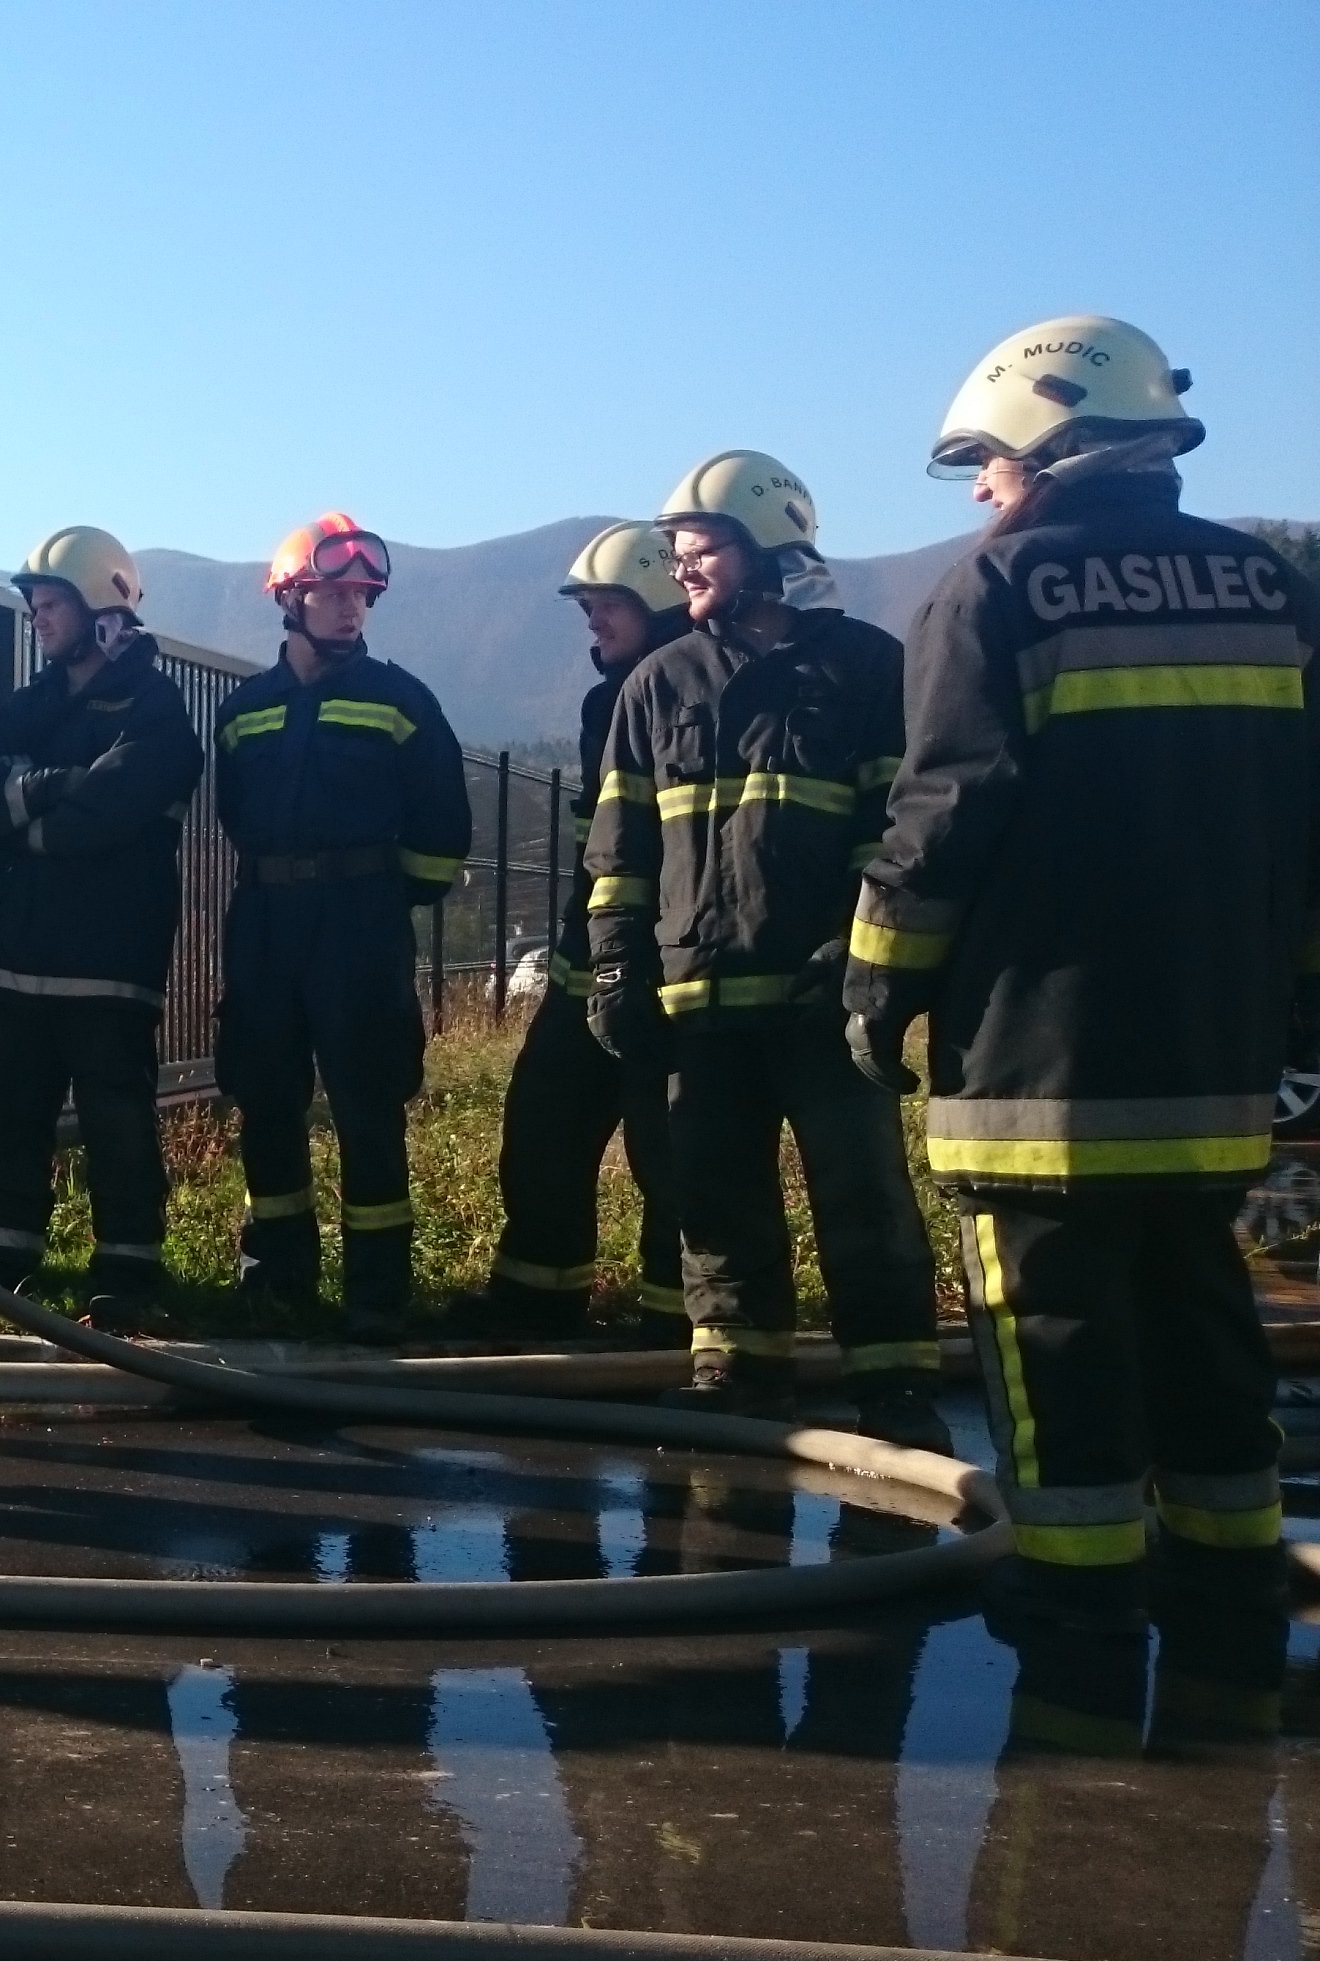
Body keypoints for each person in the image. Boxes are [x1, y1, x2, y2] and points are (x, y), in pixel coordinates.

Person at [844, 314, 1318, 1619]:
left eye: (988, 464)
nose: (982, 493)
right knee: (1201, 1304)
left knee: (1050, 1332)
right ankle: (1230, 1577)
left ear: (1046, 438)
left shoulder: (998, 590)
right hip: (1218, 1062)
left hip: (1041, 1067)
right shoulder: (1272, 588)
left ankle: (1077, 1611)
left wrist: (880, 984)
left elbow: (946, 812)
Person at [585, 453, 941, 1439]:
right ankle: (737, 1369)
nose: (682, 568)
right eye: (677, 552)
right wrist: (615, 964)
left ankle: (896, 1384)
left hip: (824, 994)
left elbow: (896, 827)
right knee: (714, 1192)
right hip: (697, 997)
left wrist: (860, 947)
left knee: (863, 1191)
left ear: (770, 549)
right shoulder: (658, 683)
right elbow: (620, 846)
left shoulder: (865, 670)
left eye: (700, 548)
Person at [207, 513, 471, 1343]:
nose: (352, 608)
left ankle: (377, 1295)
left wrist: (385, 904)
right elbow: (235, 816)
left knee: (368, 1106)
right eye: (333, 593)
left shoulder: (403, 701)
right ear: (290, 598)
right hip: (266, 924)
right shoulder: (244, 709)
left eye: (362, 595)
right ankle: (278, 1280)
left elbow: (441, 829)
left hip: (360, 927)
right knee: (266, 1099)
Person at [0, 525, 201, 1329]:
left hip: (109, 965)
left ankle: (128, 1272)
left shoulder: (157, 711)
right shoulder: (32, 704)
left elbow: (104, 812)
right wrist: (49, 790)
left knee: (117, 1124)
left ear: (102, 613)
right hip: (15, 957)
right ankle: (0, 1263)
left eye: (51, 604)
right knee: (5, 1116)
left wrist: (21, 812)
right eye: (34, 606)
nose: (37, 619)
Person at [472, 524, 689, 1340]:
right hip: (589, 958)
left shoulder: (699, 692)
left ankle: (674, 1326)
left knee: (668, 1149)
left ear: (658, 603)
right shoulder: (608, 701)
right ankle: (537, 1302)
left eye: (608, 606)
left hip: (669, 968)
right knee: (545, 1126)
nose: (592, 622)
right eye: (587, 607)